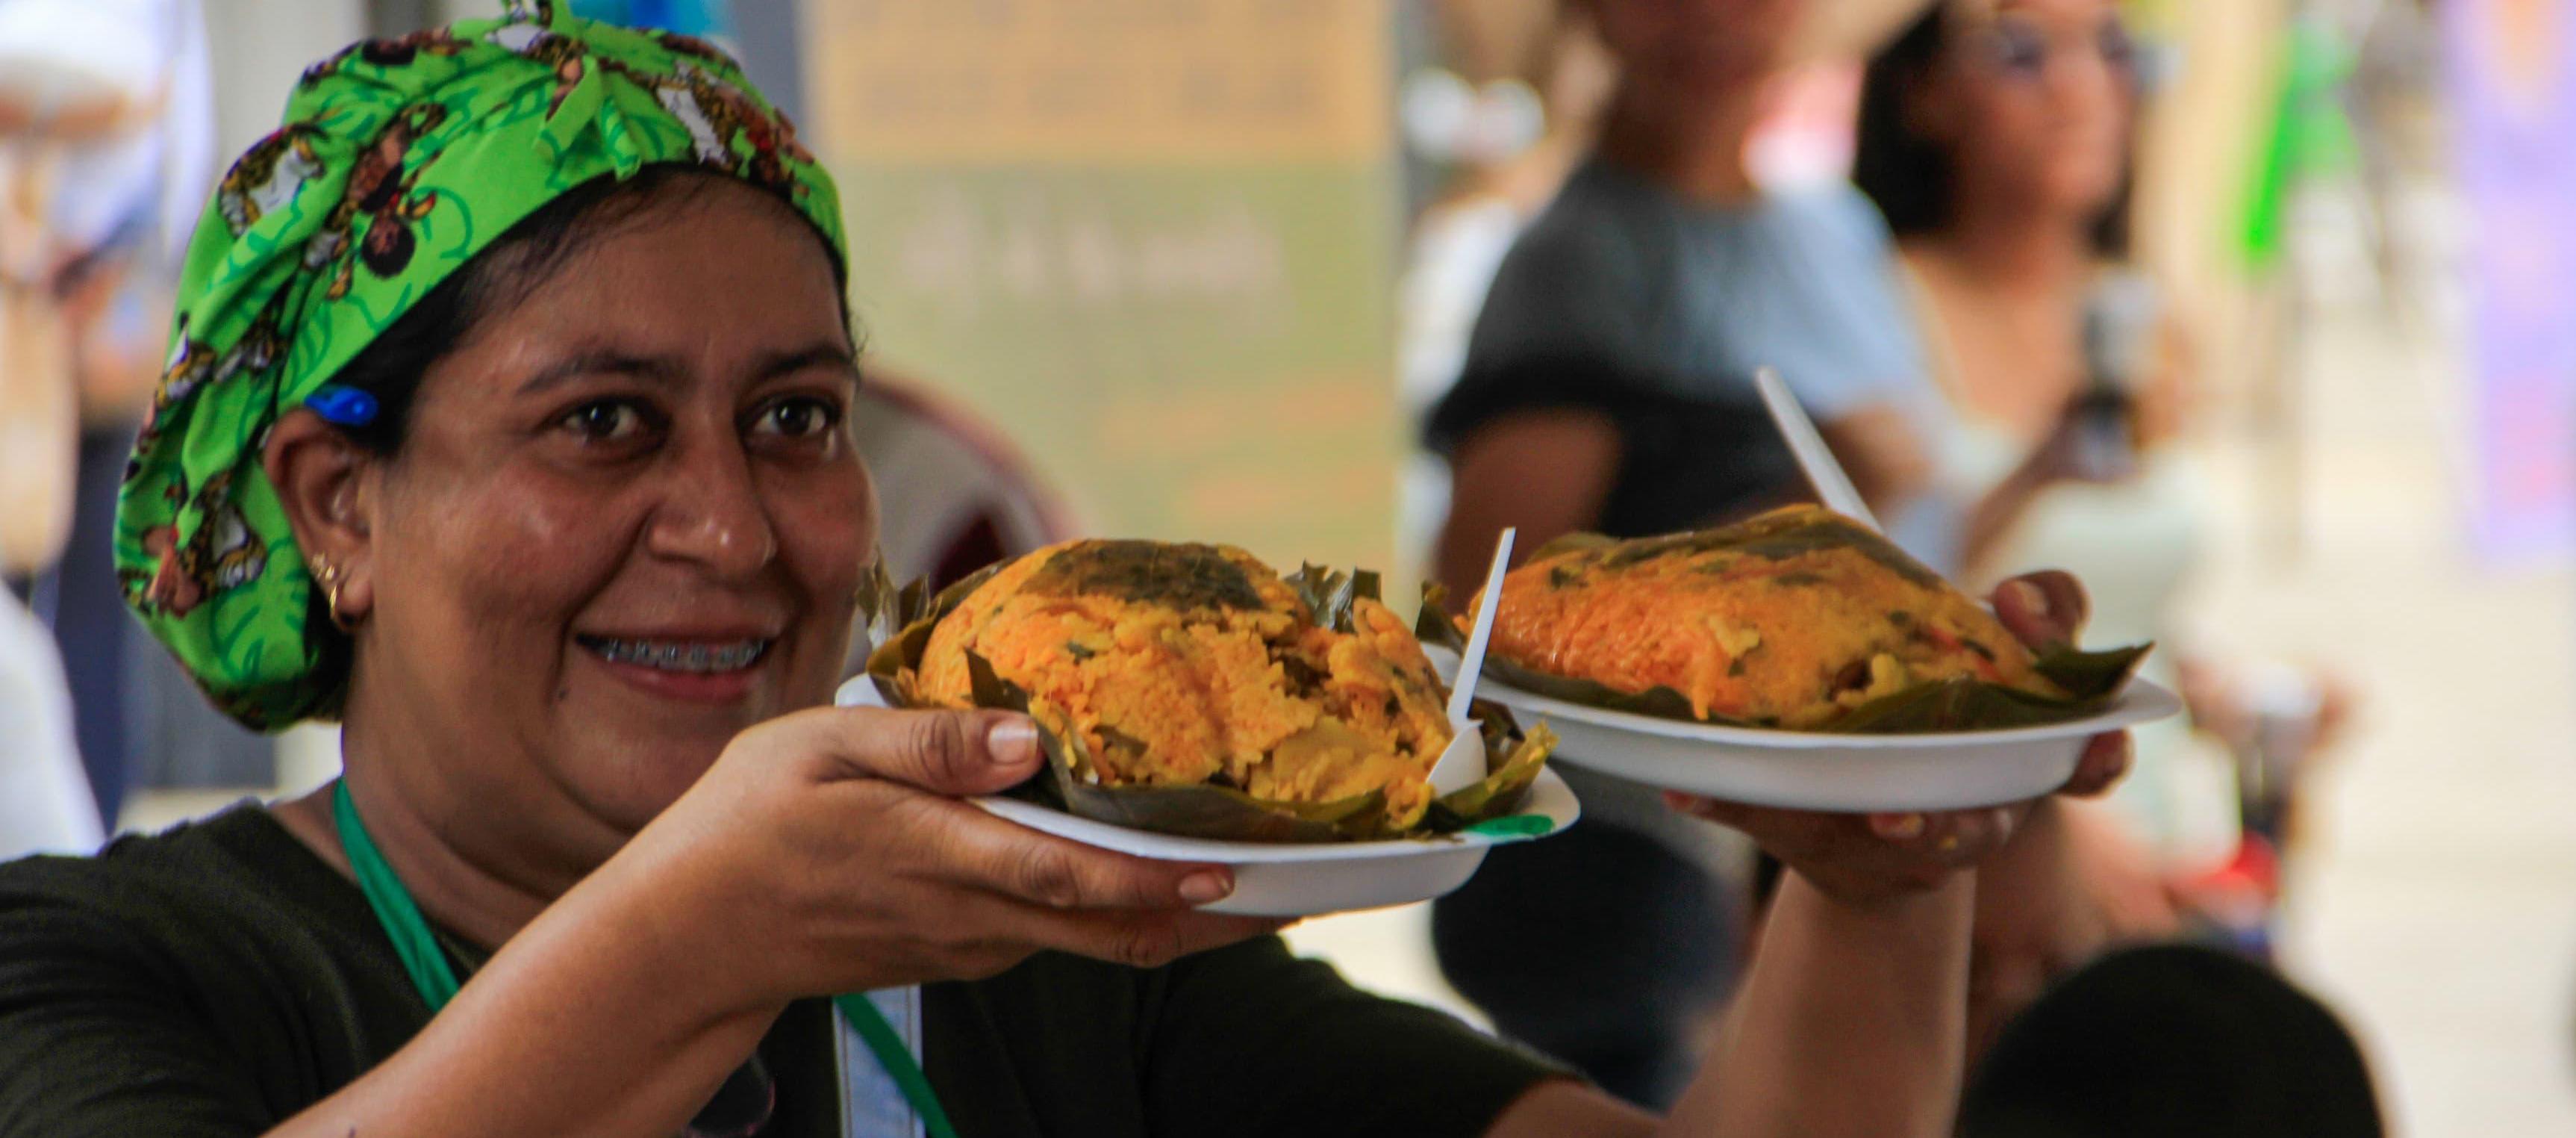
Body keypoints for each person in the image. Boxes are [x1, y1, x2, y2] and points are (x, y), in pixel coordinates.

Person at [0, 7, 2127, 1137]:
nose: (735, 528)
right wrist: (700, 939)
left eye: (800, 416)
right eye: (602, 424)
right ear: (333, 504)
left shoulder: (1053, 980)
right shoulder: (101, 972)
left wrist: (1878, 876)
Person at [1424, 0, 1946, 1107]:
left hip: (1808, 847)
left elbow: (1904, 552)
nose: (1712, 18)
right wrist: (1802, 516)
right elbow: (1489, 603)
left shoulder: (1832, 233)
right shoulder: (1576, 261)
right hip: (1622, 871)